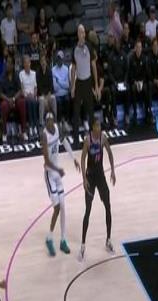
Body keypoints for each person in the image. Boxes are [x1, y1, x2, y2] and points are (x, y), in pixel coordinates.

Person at [42, 112, 79, 256]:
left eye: (51, 120)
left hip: (57, 174)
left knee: (63, 207)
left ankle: (63, 240)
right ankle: (49, 238)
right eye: (48, 121)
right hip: (49, 175)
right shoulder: (44, 135)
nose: (50, 123)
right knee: (56, 208)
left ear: (54, 121)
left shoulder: (57, 129)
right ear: (45, 122)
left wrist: (74, 158)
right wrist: (58, 170)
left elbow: (65, 142)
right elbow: (46, 160)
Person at [79, 117, 116, 261]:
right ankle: (83, 245)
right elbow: (83, 158)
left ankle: (108, 240)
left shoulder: (103, 138)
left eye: (100, 126)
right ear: (92, 127)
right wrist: (84, 178)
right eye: (97, 126)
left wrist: (112, 171)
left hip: (100, 176)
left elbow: (110, 153)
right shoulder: (88, 140)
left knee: (108, 206)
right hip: (90, 177)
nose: (99, 128)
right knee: (87, 210)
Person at [71, 24, 99, 146]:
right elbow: (73, 68)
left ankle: (93, 137)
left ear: (85, 34)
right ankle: (76, 140)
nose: (82, 34)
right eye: (80, 32)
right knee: (76, 112)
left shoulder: (89, 46)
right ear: (78, 34)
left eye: (83, 32)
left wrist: (96, 85)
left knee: (90, 111)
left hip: (88, 82)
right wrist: (73, 85)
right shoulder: (74, 48)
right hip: (79, 82)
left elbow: (94, 66)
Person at [0, 56, 27, 142]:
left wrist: (14, 98)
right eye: (6, 63)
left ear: (12, 65)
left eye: (9, 63)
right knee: (3, 105)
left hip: (15, 99)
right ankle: (4, 133)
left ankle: (23, 131)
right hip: (7, 100)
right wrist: (9, 100)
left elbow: (20, 90)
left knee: (22, 102)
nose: (7, 65)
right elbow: (0, 93)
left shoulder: (16, 75)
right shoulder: (2, 77)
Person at [128, 39, 152, 124]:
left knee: (146, 89)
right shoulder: (131, 59)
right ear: (135, 48)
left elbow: (146, 73)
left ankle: (147, 112)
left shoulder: (144, 58)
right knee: (133, 89)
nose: (139, 49)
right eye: (137, 47)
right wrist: (135, 82)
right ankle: (135, 113)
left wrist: (141, 82)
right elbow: (130, 74)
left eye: (140, 47)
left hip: (142, 81)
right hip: (134, 82)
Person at [20, 54, 39, 138]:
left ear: (30, 63)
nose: (27, 64)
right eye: (25, 63)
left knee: (33, 102)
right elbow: (22, 88)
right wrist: (26, 95)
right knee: (30, 102)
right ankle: (32, 126)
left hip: (33, 96)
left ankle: (34, 126)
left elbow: (35, 87)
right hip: (25, 96)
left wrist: (34, 95)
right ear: (23, 64)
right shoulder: (21, 74)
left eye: (28, 62)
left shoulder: (34, 73)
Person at [52, 50, 72, 134]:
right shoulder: (53, 70)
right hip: (57, 93)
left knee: (67, 100)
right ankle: (59, 122)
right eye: (58, 59)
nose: (59, 60)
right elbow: (55, 87)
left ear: (63, 59)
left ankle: (66, 122)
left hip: (65, 92)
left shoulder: (66, 69)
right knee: (59, 102)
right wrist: (62, 83)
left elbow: (67, 85)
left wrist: (58, 81)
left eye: (60, 59)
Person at [37, 54, 57, 128]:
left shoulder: (49, 71)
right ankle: (41, 122)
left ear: (46, 61)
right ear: (40, 62)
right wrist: (45, 99)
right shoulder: (38, 72)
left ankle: (55, 120)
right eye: (42, 61)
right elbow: (39, 86)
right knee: (42, 100)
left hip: (49, 93)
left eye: (44, 61)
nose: (43, 62)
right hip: (41, 94)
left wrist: (48, 96)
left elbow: (51, 85)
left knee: (53, 98)